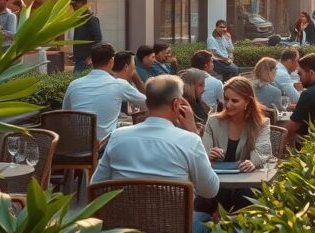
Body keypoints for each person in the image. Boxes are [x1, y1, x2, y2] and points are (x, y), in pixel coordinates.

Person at [91, 75, 219, 233]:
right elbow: (210, 190)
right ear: (177, 104)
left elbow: (96, 185)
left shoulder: (118, 137)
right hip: (174, 227)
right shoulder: (190, 141)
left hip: (124, 227)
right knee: (207, 218)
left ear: (146, 103)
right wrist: (192, 130)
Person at [63, 43, 147, 140]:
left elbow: (65, 113)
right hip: (104, 145)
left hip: (75, 144)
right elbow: (149, 104)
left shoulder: (74, 84)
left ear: (91, 60)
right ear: (112, 61)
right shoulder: (119, 84)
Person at [202, 76, 272, 174]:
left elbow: (262, 152)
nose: (228, 104)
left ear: (247, 102)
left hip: (246, 179)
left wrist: (252, 163)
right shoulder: (213, 121)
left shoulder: (261, 124)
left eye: (234, 101)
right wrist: (209, 155)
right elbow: (203, 154)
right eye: (226, 99)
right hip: (218, 179)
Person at [70, 0, 102, 72]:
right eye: (72, 5)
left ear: (83, 4)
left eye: (75, 5)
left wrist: (90, 56)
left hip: (86, 60)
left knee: (76, 80)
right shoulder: (80, 19)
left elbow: (98, 38)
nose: (73, 8)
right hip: (80, 59)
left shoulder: (91, 19)